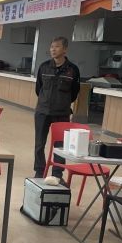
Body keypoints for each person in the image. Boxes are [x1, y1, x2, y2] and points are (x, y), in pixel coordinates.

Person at [33, 36, 80, 179]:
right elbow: (38, 89)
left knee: (60, 145)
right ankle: (40, 171)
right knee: (39, 143)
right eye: (52, 47)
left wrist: (62, 102)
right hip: (42, 111)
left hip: (61, 113)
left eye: (57, 47)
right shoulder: (44, 67)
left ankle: (57, 173)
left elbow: (74, 92)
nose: (53, 49)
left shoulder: (73, 70)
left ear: (65, 49)